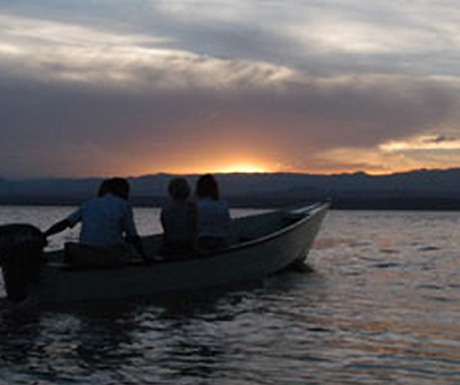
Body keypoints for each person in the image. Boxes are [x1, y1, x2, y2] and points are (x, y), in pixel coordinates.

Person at [44, 178, 149, 265]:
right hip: (112, 257)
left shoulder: (88, 204)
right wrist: (145, 257)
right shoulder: (124, 205)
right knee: (126, 242)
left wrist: (45, 234)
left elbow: (65, 223)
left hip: (86, 255)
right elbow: (133, 235)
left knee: (70, 248)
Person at [160, 177, 197, 258]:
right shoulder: (191, 208)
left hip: (169, 247)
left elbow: (165, 229)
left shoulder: (165, 208)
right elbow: (192, 230)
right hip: (186, 248)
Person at [195, 174, 232, 251]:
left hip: (200, 244)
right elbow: (227, 226)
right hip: (220, 243)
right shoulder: (223, 204)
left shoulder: (195, 206)